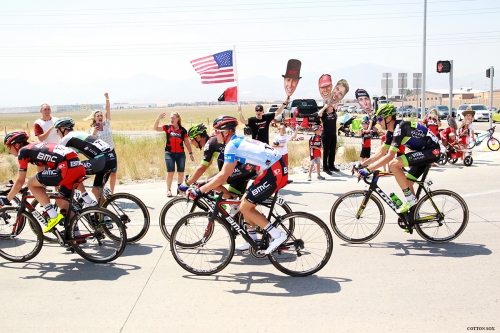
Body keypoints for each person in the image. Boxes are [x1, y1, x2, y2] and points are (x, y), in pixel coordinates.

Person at [186, 116, 289, 254]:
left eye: (216, 131)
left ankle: (277, 235)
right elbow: (225, 173)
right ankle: (252, 239)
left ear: (226, 132)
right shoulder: (234, 142)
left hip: (274, 172)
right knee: (244, 202)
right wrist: (205, 184)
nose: (214, 134)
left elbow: (223, 176)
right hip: (270, 170)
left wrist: (200, 190)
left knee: (245, 207)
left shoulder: (231, 146)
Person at [355, 104, 440, 214]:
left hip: (432, 150)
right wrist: (362, 165)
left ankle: (410, 200)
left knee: (393, 164)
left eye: (380, 119)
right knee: (407, 184)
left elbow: (390, 156)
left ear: (389, 118)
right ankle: (413, 216)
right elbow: (381, 152)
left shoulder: (400, 128)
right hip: (423, 152)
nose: (378, 122)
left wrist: (368, 169)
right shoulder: (391, 132)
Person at [0, 131, 86, 233]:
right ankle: (75, 234)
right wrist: (35, 189)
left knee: (30, 183)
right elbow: (41, 175)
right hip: (78, 166)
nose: (9, 151)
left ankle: (53, 216)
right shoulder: (36, 147)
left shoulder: (23, 151)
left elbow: (20, 181)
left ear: (17, 145)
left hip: (66, 168)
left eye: (9, 147)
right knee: (62, 202)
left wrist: (7, 200)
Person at [178, 123, 256, 199]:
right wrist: (193, 178)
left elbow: (202, 168)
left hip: (244, 167)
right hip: (242, 167)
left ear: (198, 137)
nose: (191, 142)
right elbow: (207, 164)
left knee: (210, 182)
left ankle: (227, 203)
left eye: (191, 139)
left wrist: (186, 184)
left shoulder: (209, 144)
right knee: (234, 200)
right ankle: (230, 205)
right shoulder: (213, 141)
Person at [55, 117, 117, 204]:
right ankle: (104, 215)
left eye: (57, 130)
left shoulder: (67, 138)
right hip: (111, 158)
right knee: (96, 190)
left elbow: (58, 157)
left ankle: (87, 199)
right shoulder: (79, 134)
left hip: (102, 160)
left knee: (73, 169)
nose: (57, 133)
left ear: (62, 128)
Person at [153, 112, 194, 197]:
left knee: (181, 173)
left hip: (180, 154)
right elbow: (155, 128)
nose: (171, 119)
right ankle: (168, 190)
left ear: (178, 119)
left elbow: (187, 143)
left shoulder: (183, 130)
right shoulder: (167, 128)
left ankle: (180, 190)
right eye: (171, 118)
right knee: (170, 173)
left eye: (173, 118)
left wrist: (190, 153)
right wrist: (158, 118)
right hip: (169, 154)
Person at [83, 92, 118, 194]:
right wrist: (94, 132)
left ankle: (112, 193)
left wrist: (107, 99)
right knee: (104, 175)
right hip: (102, 154)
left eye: (101, 115)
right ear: (94, 118)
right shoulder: (93, 129)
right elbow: (91, 141)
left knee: (113, 173)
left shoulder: (106, 124)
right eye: (97, 115)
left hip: (111, 151)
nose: (100, 116)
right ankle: (101, 191)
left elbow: (108, 110)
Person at [317, 76, 349, 174]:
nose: (331, 107)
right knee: (326, 151)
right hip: (326, 134)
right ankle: (325, 167)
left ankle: (331, 165)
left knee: (332, 150)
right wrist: (325, 107)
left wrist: (335, 95)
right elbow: (318, 114)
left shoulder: (334, 112)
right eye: (330, 107)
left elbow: (336, 101)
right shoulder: (325, 114)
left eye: (331, 107)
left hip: (333, 134)